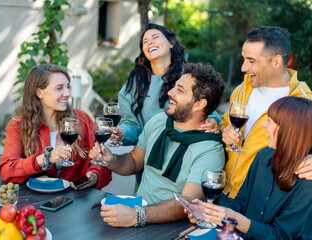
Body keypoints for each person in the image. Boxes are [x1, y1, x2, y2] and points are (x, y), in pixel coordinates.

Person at [90, 63, 226, 227]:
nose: (170, 92)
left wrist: (137, 216)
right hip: (136, 211)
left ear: (200, 104)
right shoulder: (159, 121)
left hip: (170, 226)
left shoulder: (210, 150)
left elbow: (189, 203)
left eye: (180, 90)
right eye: (174, 87)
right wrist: (111, 159)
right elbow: (133, 162)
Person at [220, 26, 312, 198]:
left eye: (251, 61)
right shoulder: (243, 89)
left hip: (257, 205)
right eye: (243, 59)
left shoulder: (305, 104)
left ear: (276, 62)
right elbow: (226, 124)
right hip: (223, 194)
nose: (243, 67)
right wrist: (225, 131)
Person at [187, 97, 312, 239]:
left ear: (289, 130)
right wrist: (210, 212)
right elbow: (241, 202)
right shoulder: (264, 156)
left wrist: (237, 220)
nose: (264, 125)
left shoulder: (309, 185)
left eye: (269, 121)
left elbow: (280, 236)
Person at [0, 64, 112, 190]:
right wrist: (45, 159)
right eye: (59, 88)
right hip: (36, 201)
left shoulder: (82, 119)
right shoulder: (18, 126)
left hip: (78, 199)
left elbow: (102, 162)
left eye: (67, 87)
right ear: (39, 92)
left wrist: (93, 176)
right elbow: (7, 170)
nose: (68, 93)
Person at [116, 23, 219, 146]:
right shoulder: (135, 81)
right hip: (145, 151)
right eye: (145, 41)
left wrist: (213, 121)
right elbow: (130, 124)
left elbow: (207, 110)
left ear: (171, 43)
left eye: (155, 37)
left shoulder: (187, 76)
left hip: (183, 146)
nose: (150, 42)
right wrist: (121, 132)